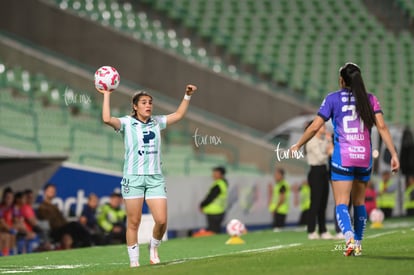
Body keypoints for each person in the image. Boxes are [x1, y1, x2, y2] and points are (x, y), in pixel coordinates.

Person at [290, 62, 399, 256]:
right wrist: (394, 154)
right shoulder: (370, 99)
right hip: (364, 158)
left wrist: (298, 144)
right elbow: (382, 127)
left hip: (344, 158)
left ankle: (348, 237)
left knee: (341, 202)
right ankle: (357, 243)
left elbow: (315, 127)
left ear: (341, 80)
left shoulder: (332, 99)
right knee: (359, 203)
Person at [99, 83, 197, 267]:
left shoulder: (157, 122)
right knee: (133, 221)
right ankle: (134, 262)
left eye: (150, 102)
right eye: (144, 102)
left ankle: (153, 247)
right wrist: (106, 93)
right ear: (135, 106)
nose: (148, 105)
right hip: (133, 178)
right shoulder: (127, 123)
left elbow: (178, 115)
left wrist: (187, 95)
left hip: (155, 178)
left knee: (161, 221)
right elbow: (106, 118)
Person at [37, 184, 92, 248]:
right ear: (45, 192)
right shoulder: (43, 207)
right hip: (54, 231)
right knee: (74, 225)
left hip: (62, 228)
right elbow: (49, 222)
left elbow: (62, 220)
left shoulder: (54, 206)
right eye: (50, 191)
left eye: (53, 191)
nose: (53, 192)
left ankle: (85, 245)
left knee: (77, 228)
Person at [305, 122, 334, 240]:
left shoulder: (322, 140)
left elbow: (327, 152)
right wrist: (329, 152)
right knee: (315, 202)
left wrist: (328, 142)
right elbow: (321, 157)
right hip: (315, 171)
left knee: (323, 202)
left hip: (323, 171)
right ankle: (311, 230)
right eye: (322, 126)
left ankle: (323, 230)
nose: (325, 128)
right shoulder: (311, 142)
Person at [199, 166, 229, 234]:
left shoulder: (218, 185)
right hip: (219, 210)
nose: (213, 175)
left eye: (215, 173)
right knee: (216, 231)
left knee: (213, 232)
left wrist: (202, 205)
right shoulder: (222, 184)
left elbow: (211, 197)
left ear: (221, 174)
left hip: (214, 212)